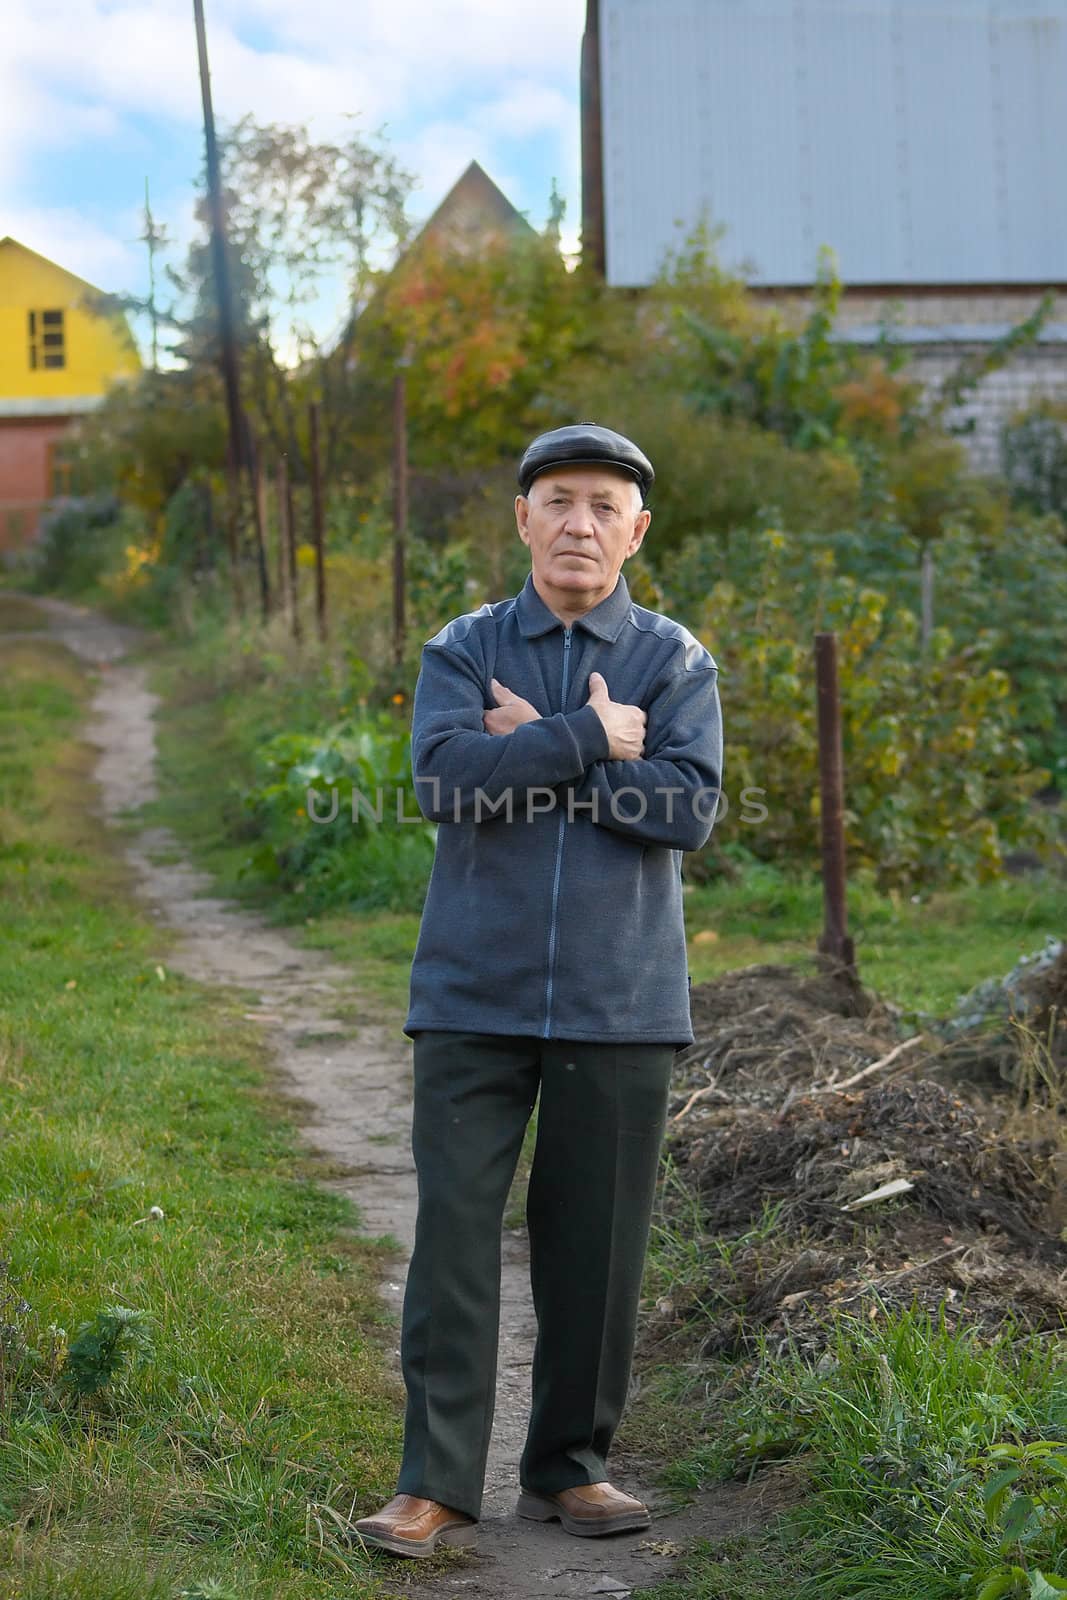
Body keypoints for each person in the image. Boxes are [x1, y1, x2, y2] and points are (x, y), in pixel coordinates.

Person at [354, 423, 723, 1558]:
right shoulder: (463, 649)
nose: (579, 523)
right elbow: (444, 780)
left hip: (622, 999)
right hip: (472, 990)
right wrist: (591, 739)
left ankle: (569, 1469)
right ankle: (434, 1485)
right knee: (455, 1237)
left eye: (603, 505)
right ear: (520, 517)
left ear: (635, 530)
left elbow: (688, 809)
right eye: (557, 500)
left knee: (595, 1247)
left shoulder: (672, 660)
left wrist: (550, 753)